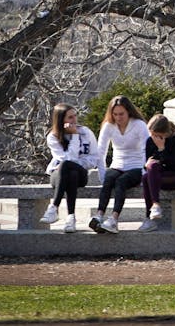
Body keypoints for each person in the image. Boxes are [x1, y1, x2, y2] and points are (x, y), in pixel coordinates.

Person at [90, 95, 149, 234]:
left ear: (129, 111)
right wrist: (102, 174)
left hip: (136, 165)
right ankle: (99, 215)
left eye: (121, 114)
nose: (118, 117)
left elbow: (147, 148)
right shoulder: (108, 126)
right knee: (109, 179)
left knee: (121, 182)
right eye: (115, 114)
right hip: (117, 164)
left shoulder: (139, 125)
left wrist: (145, 172)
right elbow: (101, 151)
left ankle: (114, 219)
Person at [41, 103, 101, 233]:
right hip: (58, 175)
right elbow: (66, 160)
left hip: (82, 174)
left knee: (69, 167)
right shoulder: (52, 137)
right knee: (68, 171)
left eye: (75, 116)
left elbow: (94, 158)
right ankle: (71, 218)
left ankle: (54, 207)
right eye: (70, 117)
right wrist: (74, 137)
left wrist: (75, 135)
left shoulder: (85, 132)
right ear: (61, 120)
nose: (75, 120)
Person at [138, 114, 175, 233]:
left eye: (158, 135)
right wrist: (148, 164)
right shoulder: (151, 140)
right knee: (147, 174)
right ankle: (153, 211)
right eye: (152, 134)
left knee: (148, 176)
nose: (154, 137)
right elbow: (149, 161)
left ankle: (152, 211)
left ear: (166, 133)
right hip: (156, 175)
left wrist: (161, 149)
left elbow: (174, 162)